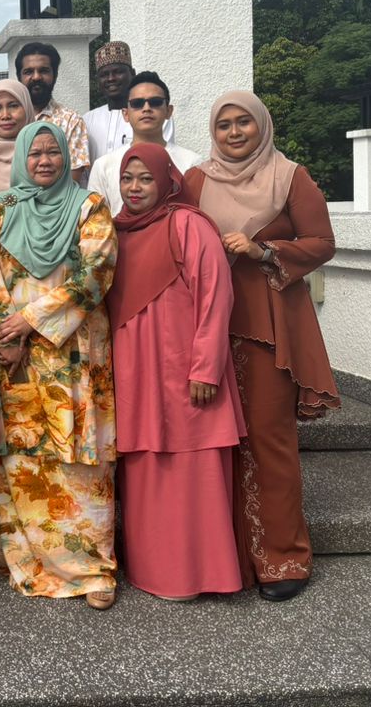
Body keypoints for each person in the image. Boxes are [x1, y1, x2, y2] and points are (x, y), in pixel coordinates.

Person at [184, 90, 340, 603]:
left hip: (268, 326)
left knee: (269, 439)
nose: (233, 132)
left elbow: (322, 242)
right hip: (209, 327)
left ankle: (283, 557)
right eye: (223, 124)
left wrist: (262, 250)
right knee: (215, 442)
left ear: (261, 125)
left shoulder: (289, 176)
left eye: (243, 122)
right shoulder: (196, 181)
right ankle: (226, 558)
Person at [0, 121, 118, 607]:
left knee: (80, 460)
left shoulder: (89, 206)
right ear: (21, 157)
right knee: (25, 456)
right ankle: (29, 560)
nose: (43, 161)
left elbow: (96, 274)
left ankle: (92, 571)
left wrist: (30, 320)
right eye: (34, 153)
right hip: (16, 354)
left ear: (66, 156)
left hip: (73, 350)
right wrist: (7, 334)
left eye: (52, 152)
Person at [107, 144, 245, 601]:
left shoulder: (188, 224)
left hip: (183, 367)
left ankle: (202, 574)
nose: (135, 188)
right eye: (127, 178)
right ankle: (155, 572)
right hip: (135, 371)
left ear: (168, 180)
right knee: (146, 466)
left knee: (192, 468)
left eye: (146, 178)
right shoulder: (114, 231)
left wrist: (206, 368)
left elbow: (216, 295)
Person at [87, 71, 202, 216]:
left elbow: (196, 217)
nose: (146, 108)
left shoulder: (192, 163)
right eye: (137, 103)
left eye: (155, 102)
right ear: (125, 114)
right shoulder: (103, 166)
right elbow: (95, 222)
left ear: (169, 111)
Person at [82, 42, 174, 161]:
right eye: (104, 74)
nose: (111, 78)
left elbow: (162, 158)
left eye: (118, 72)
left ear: (132, 73)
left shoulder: (153, 115)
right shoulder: (87, 120)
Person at [14, 42, 90, 183]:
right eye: (28, 72)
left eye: (43, 71)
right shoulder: (8, 122)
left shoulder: (71, 121)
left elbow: (71, 182)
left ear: (55, 75)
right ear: (19, 77)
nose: (36, 77)